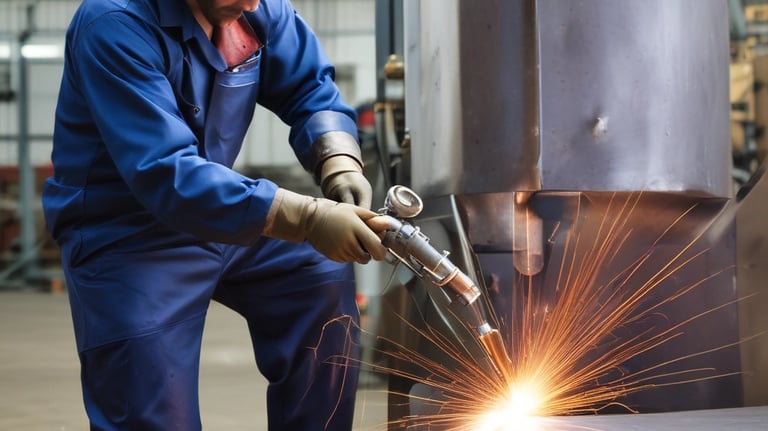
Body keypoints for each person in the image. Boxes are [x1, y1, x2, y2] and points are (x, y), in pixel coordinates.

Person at [41, 0, 389, 429]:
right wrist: (308, 218)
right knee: (153, 410)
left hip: (222, 211)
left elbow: (309, 89)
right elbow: (165, 171)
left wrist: (339, 161)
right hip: (126, 236)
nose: (252, 3)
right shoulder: (114, 24)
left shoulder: (255, 10)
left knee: (319, 273)